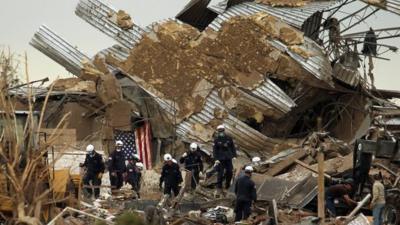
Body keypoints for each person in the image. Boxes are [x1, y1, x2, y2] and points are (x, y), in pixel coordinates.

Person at [213, 124, 237, 194]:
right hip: (220, 159)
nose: (221, 132)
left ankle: (227, 185)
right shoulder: (216, 139)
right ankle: (219, 187)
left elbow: (232, 147)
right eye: (219, 131)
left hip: (228, 158)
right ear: (218, 131)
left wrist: (234, 155)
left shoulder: (229, 138)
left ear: (224, 131)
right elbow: (215, 150)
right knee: (220, 173)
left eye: (222, 131)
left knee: (229, 172)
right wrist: (216, 159)